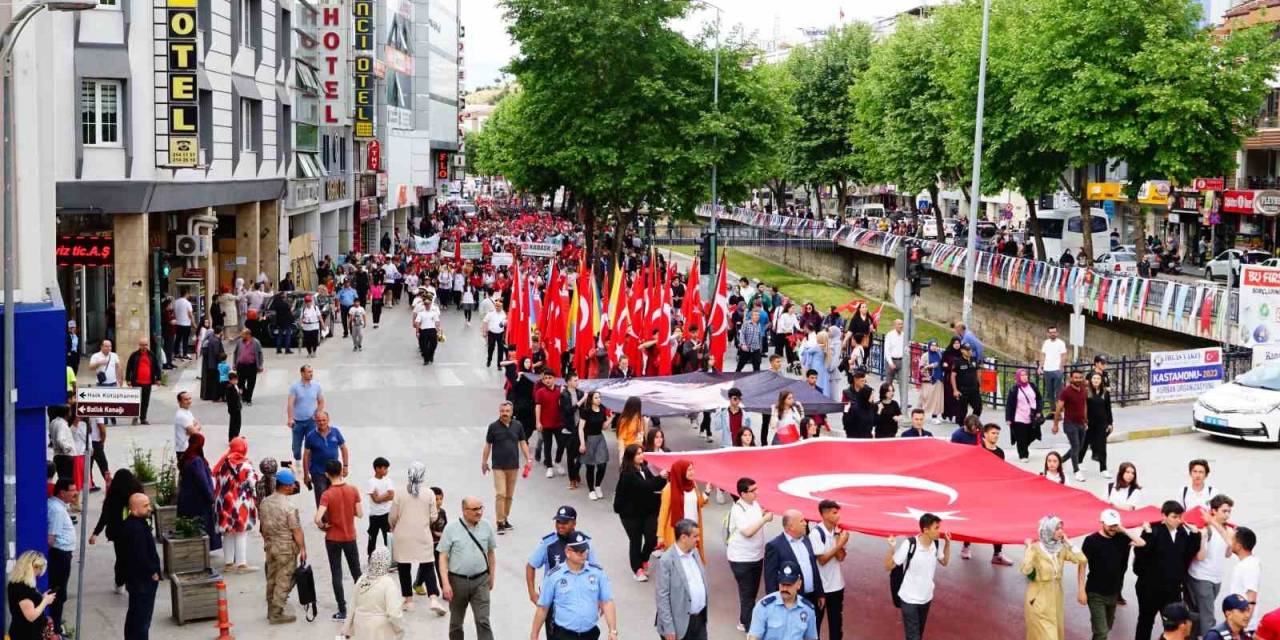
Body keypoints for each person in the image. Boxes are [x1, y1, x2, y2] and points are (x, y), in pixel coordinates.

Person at [529, 532, 618, 640]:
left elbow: (607, 602)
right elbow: (543, 608)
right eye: (578, 551)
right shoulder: (554, 576)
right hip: (564, 635)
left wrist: (612, 631)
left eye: (584, 550)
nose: (583, 554)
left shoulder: (597, 573)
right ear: (567, 552)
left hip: (590, 634)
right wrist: (534, 634)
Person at [1135, 501, 1202, 640]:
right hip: (1150, 588)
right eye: (1174, 517)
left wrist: (1195, 533)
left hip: (1172, 589)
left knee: (1174, 623)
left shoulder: (1182, 532)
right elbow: (1142, 553)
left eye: (1179, 517)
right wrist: (1147, 534)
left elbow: (1189, 552)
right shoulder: (1152, 530)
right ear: (1164, 516)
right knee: (1146, 621)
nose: (1178, 520)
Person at [389, 461, 445, 615]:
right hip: (423, 534)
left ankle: (408, 601)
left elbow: (393, 516)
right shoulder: (429, 493)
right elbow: (434, 517)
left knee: (404, 567)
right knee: (427, 565)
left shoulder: (399, 492)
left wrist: (393, 524)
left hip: (403, 535)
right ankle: (433, 598)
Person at [1082, 509, 1147, 640]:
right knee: (1101, 632)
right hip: (1095, 592)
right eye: (1110, 524)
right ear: (1102, 523)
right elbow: (1082, 565)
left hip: (1113, 593)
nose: (1113, 528)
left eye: (1115, 524)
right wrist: (1080, 589)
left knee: (1107, 627)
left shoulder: (1122, 538)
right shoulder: (1091, 541)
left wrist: (1124, 530)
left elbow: (1142, 543)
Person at [438, 496, 498, 640]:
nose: (479, 512)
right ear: (464, 511)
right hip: (457, 582)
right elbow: (443, 557)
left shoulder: (486, 526)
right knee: (456, 623)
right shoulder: (451, 528)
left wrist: (492, 575)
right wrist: (445, 584)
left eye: (481, 508)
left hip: (481, 581)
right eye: (475, 509)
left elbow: (491, 552)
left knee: (483, 620)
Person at [886, 513, 952, 640]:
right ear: (926, 530)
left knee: (918, 635)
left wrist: (947, 544)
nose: (939, 531)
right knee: (913, 637)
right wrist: (891, 548)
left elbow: (944, 562)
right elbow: (889, 566)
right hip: (909, 599)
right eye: (936, 528)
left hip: (926, 598)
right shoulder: (909, 544)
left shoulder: (935, 544)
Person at [1021, 516, 1088, 640]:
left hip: (1056, 599)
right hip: (1038, 599)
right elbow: (1026, 569)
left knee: (1056, 634)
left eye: (1061, 528)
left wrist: (1068, 542)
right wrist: (1029, 548)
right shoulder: (1035, 548)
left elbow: (1082, 560)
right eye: (1057, 529)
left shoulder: (1060, 549)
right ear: (1048, 530)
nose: (1061, 531)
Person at [315, 458, 363, 621]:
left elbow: (317, 518)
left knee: (337, 573)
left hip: (333, 538)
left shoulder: (327, 494)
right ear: (342, 471)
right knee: (357, 571)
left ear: (327, 474)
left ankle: (342, 609)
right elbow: (360, 513)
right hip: (350, 536)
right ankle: (362, 605)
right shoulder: (353, 490)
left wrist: (324, 526)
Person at [259, 467, 306, 624]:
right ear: (286, 486)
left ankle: (270, 609)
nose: (293, 487)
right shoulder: (289, 507)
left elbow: (263, 528)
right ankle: (277, 613)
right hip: (285, 548)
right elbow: (296, 531)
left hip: (270, 545)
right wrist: (303, 549)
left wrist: (268, 541)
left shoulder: (265, 503)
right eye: (292, 484)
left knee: (271, 578)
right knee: (284, 579)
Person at [614, 444, 666, 582]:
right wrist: (661, 477)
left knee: (652, 537)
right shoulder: (627, 474)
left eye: (642, 452)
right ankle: (637, 569)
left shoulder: (644, 469)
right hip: (630, 513)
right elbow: (645, 487)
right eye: (638, 454)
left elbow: (653, 486)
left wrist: (664, 480)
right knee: (635, 540)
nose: (641, 455)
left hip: (646, 510)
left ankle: (643, 559)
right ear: (631, 457)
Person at [726, 477, 772, 632]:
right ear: (743, 494)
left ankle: (743, 621)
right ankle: (751, 630)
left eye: (756, 489)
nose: (756, 493)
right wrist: (764, 519)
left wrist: (762, 515)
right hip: (741, 559)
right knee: (747, 595)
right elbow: (748, 532)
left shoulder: (755, 505)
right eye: (753, 491)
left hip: (756, 556)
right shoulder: (738, 509)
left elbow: (755, 520)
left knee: (751, 593)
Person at [1188, 495, 1236, 636]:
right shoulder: (1206, 529)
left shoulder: (1229, 530)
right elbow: (1200, 557)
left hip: (1216, 578)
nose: (1227, 515)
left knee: (1199, 612)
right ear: (1213, 511)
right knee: (1208, 616)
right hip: (1201, 577)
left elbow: (1228, 554)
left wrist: (1230, 541)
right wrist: (1202, 539)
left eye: (1229, 511)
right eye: (1224, 511)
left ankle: (1192, 636)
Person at [654, 519, 709, 640]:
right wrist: (669, 628)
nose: (698, 539)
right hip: (679, 625)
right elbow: (662, 597)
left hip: (699, 620)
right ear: (684, 537)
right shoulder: (667, 560)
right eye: (695, 536)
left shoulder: (695, 552)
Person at [89, 468, 143, 592]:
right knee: (134, 556)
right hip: (135, 531)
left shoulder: (113, 495)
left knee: (121, 558)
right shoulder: (137, 492)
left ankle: (120, 583)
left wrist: (95, 533)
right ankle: (133, 581)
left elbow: (105, 515)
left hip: (118, 533)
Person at [214, 436, 260, 573]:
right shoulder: (245, 465)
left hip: (223, 503)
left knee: (227, 532)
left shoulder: (223, 463)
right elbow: (252, 483)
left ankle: (228, 564)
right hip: (240, 504)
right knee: (240, 532)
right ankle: (241, 564)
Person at [483, 401, 531, 533]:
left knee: (509, 495)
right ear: (499, 412)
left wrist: (529, 459)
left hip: (513, 466)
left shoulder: (518, 425)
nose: (504, 413)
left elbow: (522, 442)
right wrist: (484, 462)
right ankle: (499, 522)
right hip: (498, 466)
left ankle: (505, 518)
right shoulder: (493, 427)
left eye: (507, 411)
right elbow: (488, 445)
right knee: (501, 494)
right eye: (502, 411)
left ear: (512, 412)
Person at [119, 494, 162, 640]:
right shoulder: (136, 528)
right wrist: (153, 571)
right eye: (145, 506)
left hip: (136, 580)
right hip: (142, 580)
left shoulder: (134, 524)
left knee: (135, 615)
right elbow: (141, 554)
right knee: (142, 618)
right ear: (135, 509)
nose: (149, 508)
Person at [763, 510, 824, 610]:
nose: (805, 523)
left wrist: (820, 593)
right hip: (792, 600)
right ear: (791, 526)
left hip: (812, 598)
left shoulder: (806, 540)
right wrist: (776, 605)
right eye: (802, 521)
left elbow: (814, 567)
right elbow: (770, 579)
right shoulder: (774, 546)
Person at [747, 560, 819, 640]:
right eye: (782, 584)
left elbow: (811, 638)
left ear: (799, 584)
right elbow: (754, 637)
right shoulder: (764, 607)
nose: (784, 588)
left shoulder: (807, 609)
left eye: (789, 585)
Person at [342, 548, 405, 639]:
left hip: (360, 625)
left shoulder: (362, 579)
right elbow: (393, 613)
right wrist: (399, 629)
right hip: (380, 630)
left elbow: (353, 606)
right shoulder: (388, 583)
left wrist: (346, 629)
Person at [809, 500, 849, 640]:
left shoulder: (837, 532)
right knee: (816, 623)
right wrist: (840, 545)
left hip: (837, 586)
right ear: (825, 514)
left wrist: (839, 541)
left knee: (836, 624)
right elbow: (822, 560)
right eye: (834, 513)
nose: (838, 516)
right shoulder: (816, 533)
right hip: (821, 588)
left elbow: (841, 557)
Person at [657, 460, 708, 561]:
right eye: (689, 470)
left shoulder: (693, 485)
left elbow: (698, 504)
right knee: (679, 562)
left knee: (693, 560)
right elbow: (663, 513)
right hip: (678, 533)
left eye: (693, 469)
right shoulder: (669, 489)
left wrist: (707, 492)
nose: (692, 472)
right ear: (681, 471)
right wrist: (660, 536)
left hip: (693, 531)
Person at [177, 433, 221, 547]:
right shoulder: (196, 460)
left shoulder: (186, 457)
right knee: (202, 525)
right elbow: (202, 481)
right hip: (198, 500)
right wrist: (211, 497)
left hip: (186, 498)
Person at [45, 479, 77, 635]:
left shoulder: (57, 506)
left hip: (60, 554)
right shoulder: (57, 510)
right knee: (58, 593)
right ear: (62, 492)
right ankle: (55, 629)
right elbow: (51, 538)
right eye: (72, 490)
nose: (75, 493)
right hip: (59, 555)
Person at [302, 410, 349, 507]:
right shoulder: (310, 436)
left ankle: (335, 519)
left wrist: (345, 466)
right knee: (322, 498)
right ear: (315, 421)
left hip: (335, 472)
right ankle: (323, 521)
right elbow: (306, 456)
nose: (322, 423)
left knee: (336, 496)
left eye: (324, 420)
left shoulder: (335, 432)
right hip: (318, 473)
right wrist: (306, 475)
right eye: (319, 421)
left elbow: (343, 448)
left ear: (328, 420)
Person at [7, 550, 56, 640]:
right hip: (27, 634)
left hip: (21, 631)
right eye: (39, 569)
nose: (39, 573)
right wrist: (45, 601)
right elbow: (31, 616)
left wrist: (42, 598)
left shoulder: (16, 584)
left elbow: (30, 604)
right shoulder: (23, 589)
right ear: (32, 567)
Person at [1053, 369, 1088, 481]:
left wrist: (1086, 420)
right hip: (1069, 423)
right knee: (1076, 446)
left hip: (1081, 423)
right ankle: (1076, 471)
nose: (1078, 379)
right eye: (1076, 377)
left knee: (1079, 447)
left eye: (1080, 377)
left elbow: (1084, 405)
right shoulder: (1065, 391)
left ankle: (1060, 461)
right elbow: (1058, 408)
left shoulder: (1083, 389)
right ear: (1071, 378)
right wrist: (1055, 424)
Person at [287, 364, 325, 465]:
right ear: (302, 373)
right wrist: (290, 418)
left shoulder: (316, 386)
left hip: (311, 422)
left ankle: (308, 463)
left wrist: (317, 413)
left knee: (311, 444)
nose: (311, 374)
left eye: (312, 372)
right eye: (309, 372)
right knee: (296, 447)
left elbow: (321, 402)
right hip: (297, 422)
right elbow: (290, 404)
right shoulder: (295, 387)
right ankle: (298, 459)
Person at [1005, 368, 1042, 462]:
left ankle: (1024, 446)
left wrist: (1038, 411)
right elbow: (1009, 404)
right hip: (1019, 417)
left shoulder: (1032, 386)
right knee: (1021, 437)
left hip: (1032, 416)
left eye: (1025, 375)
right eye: (1022, 375)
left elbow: (1038, 398)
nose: (1024, 377)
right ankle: (1023, 455)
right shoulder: (1014, 389)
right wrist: (1009, 418)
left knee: (1032, 435)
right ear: (1018, 377)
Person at [1227, 527, 1260, 634]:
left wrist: (1243, 624)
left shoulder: (1249, 566)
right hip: (1238, 623)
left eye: (1232, 540)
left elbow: (1251, 597)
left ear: (1239, 546)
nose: (1229, 543)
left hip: (1244, 627)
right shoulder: (1244, 561)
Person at [1080, 372, 1113, 478]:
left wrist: (1110, 423)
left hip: (1101, 424)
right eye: (1094, 378)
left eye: (1098, 379)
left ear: (1101, 380)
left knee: (1102, 447)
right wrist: (1083, 422)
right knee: (1084, 444)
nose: (1096, 380)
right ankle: (1078, 462)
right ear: (1090, 380)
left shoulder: (1105, 393)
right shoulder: (1086, 392)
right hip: (1089, 423)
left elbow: (1108, 409)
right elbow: (1082, 408)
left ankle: (1103, 469)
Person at [533, 370, 565, 478]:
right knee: (547, 446)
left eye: (549, 378)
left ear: (554, 379)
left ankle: (557, 461)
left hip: (558, 423)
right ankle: (549, 467)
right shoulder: (540, 392)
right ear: (543, 380)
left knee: (561, 443)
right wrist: (538, 422)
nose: (547, 380)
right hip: (545, 424)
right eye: (545, 378)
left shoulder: (559, 391)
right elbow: (538, 407)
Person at [125, 338, 160, 424]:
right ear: (139, 345)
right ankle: (135, 417)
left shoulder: (152, 355)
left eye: (145, 345)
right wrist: (128, 380)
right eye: (142, 345)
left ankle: (143, 418)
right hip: (136, 382)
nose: (144, 347)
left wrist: (158, 378)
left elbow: (157, 367)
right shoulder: (134, 355)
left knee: (145, 401)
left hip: (148, 383)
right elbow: (128, 368)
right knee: (136, 401)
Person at [365, 457, 394, 558]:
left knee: (388, 538)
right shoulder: (371, 482)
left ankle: (391, 558)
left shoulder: (388, 480)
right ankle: (370, 556)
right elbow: (375, 500)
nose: (386, 471)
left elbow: (392, 496)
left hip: (386, 514)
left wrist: (381, 496)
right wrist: (386, 494)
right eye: (384, 468)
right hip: (375, 515)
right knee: (372, 537)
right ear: (377, 468)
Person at [950, 343, 982, 423]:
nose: (969, 352)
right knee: (962, 411)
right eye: (966, 350)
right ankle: (962, 427)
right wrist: (955, 390)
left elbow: (978, 373)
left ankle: (972, 422)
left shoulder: (974, 360)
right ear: (962, 350)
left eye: (970, 350)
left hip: (974, 389)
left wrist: (980, 385)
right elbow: (953, 376)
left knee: (978, 407)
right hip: (962, 390)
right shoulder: (958, 361)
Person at [232, 328, 264, 405]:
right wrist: (234, 363)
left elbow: (260, 354)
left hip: (251, 366)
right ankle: (245, 396)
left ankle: (248, 399)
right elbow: (235, 352)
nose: (241, 336)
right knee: (240, 383)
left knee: (251, 383)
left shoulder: (256, 342)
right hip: (241, 366)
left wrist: (260, 365)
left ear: (248, 335)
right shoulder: (239, 342)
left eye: (243, 334)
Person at [1038, 326, 1068, 408]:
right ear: (1048, 333)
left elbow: (1064, 355)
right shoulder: (1046, 343)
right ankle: (1053, 411)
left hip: (1057, 370)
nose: (1052, 334)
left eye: (1054, 332)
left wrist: (1061, 367)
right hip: (1047, 370)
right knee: (1049, 392)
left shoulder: (1061, 343)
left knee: (1058, 392)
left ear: (1057, 333)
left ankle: (1059, 411)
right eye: (1051, 332)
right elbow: (1043, 355)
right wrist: (1040, 367)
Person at [612, 396, 649, 463]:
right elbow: (621, 439)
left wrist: (646, 424)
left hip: (639, 450)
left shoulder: (640, 418)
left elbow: (644, 436)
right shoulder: (625, 421)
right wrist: (622, 457)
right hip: (630, 452)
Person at [919, 340, 945, 422]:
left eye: (936, 345)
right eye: (932, 345)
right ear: (929, 346)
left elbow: (942, 364)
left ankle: (935, 416)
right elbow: (921, 367)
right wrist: (929, 367)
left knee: (937, 399)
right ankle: (921, 415)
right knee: (927, 398)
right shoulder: (925, 355)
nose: (934, 347)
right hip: (929, 380)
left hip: (939, 379)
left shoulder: (939, 355)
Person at [198, 328, 226, 402]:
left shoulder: (208, 341)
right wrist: (222, 358)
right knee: (216, 381)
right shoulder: (215, 341)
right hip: (215, 364)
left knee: (210, 380)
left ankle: (209, 396)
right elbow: (216, 353)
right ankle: (215, 397)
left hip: (209, 364)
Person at [484, 300, 508, 368]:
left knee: (500, 350)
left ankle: (499, 365)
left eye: (499, 306)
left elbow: (506, 324)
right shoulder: (491, 313)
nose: (497, 307)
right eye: (496, 306)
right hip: (491, 333)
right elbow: (485, 321)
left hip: (500, 334)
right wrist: (484, 331)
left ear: (501, 307)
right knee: (491, 348)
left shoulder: (504, 314)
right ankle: (489, 360)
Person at [884, 318, 906, 389]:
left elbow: (906, 349)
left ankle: (903, 400)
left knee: (903, 384)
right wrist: (890, 362)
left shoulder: (904, 335)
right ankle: (886, 399)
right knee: (888, 384)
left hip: (901, 362)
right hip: (891, 361)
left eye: (902, 324)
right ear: (895, 325)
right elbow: (887, 350)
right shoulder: (890, 335)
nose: (901, 326)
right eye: (899, 324)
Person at [173, 289, 195, 358]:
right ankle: (185, 354)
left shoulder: (175, 302)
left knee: (178, 339)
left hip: (178, 323)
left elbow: (173, 312)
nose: (189, 295)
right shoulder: (188, 303)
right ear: (186, 294)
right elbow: (190, 314)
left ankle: (176, 353)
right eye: (188, 293)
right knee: (185, 339)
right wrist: (193, 323)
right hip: (186, 324)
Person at [224, 370, 243, 441]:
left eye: (236, 380)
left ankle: (236, 435)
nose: (235, 381)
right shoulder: (229, 388)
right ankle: (232, 437)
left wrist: (240, 393)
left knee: (238, 423)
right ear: (230, 380)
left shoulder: (235, 386)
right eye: (234, 380)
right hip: (233, 409)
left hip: (238, 407)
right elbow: (230, 399)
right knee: (233, 424)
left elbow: (238, 395)